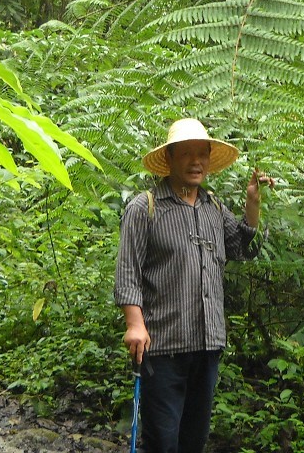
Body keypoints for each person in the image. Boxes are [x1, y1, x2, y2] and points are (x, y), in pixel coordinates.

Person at [114, 118, 273, 453]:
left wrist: (253, 204)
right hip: (163, 345)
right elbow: (128, 269)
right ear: (169, 158)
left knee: (194, 440)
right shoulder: (145, 208)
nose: (195, 161)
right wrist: (134, 324)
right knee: (162, 442)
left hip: (207, 343)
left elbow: (245, 247)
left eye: (202, 154)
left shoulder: (213, 207)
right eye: (186, 153)